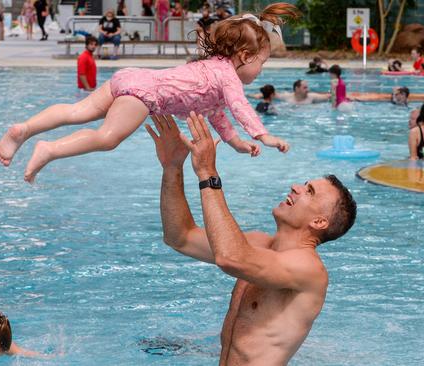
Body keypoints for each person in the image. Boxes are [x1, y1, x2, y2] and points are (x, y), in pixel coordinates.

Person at [0, 3, 297, 183]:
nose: (261, 71)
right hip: (143, 95)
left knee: (77, 111)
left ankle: (23, 130)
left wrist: (235, 143)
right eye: (262, 63)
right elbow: (239, 106)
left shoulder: (213, 68)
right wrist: (262, 135)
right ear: (245, 56)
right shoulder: (227, 74)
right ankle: (50, 149)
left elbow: (218, 113)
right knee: (107, 138)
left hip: (131, 78)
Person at [145, 112, 357, 365]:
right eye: (304, 183)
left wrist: (207, 171)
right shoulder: (257, 244)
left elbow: (230, 258)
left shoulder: (309, 270)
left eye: (309, 191)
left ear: (319, 222)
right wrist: (172, 167)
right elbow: (180, 237)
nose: (296, 187)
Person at [251, 79, 329, 105]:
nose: (307, 89)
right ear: (297, 88)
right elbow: (269, 94)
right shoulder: (286, 96)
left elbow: (328, 96)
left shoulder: (312, 97)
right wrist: (251, 96)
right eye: (305, 88)